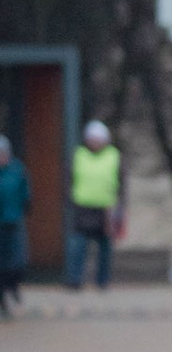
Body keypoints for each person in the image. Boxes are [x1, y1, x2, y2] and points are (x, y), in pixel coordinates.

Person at [67, 119, 121, 290]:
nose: (95, 142)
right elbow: (68, 179)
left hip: (106, 209)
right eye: (92, 139)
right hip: (83, 208)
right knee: (78, 247)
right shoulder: (79, 155)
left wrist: (120, 207)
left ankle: (103, 281)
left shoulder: (114, 156)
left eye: (98, 139)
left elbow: (122, 182)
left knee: (105, 249)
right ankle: (75, 279)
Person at [0, 132, 27, 316]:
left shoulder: (17, 170)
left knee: (16, 261)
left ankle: (13, 287)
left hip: (13, 220)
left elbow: (26, 195)